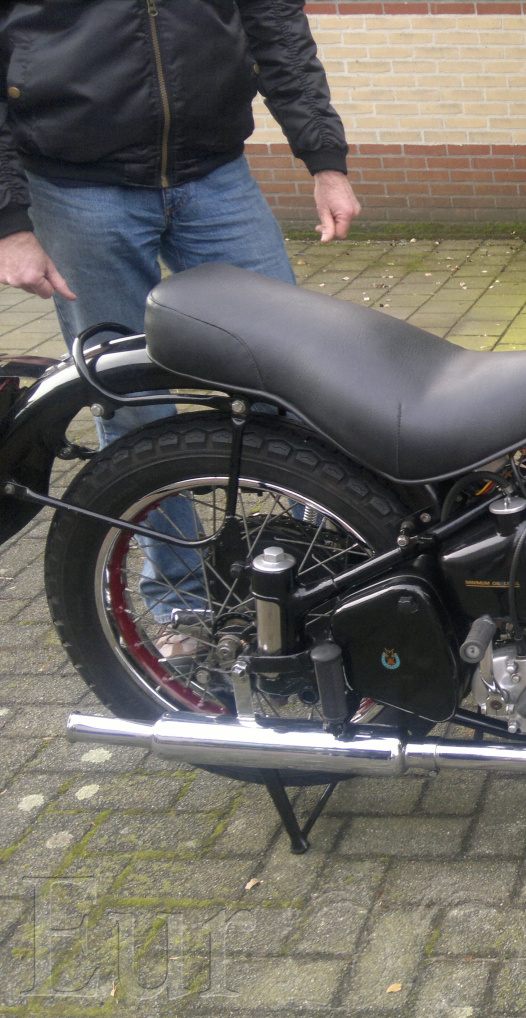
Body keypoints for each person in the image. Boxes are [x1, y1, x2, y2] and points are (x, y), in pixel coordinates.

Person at [0, 1, 361, 643]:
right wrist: (8, 220)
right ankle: (181, 604)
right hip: (76, 188)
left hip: (215, 175)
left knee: (304, 378)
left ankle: (333, 571)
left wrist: (325, 159)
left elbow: (276, 26)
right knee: (131, 405)